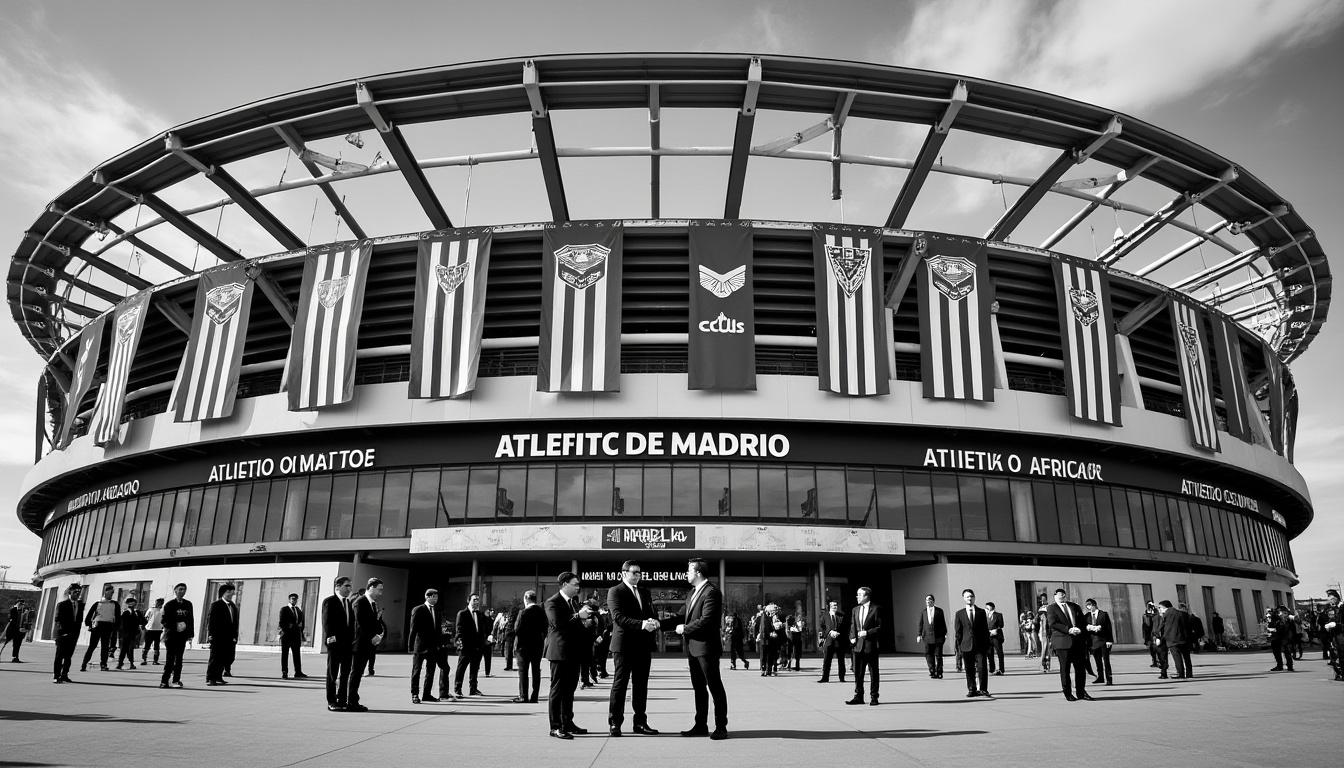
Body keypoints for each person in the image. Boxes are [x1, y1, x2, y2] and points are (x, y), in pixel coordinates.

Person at [659, 558, 728, 740]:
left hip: (706, 648)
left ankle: (721, 727)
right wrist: (657, 624)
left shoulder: (712, 592)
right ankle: (700, 725)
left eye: (689, 570)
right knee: (698, 688)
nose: (686, 574)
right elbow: (680, 617)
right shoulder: (692, 593)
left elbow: (707, 621)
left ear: (698, 573)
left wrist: (685, 629)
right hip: (693, 648)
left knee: (715, 687)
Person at [606, 560, 661, 736]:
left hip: (643, 645)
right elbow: (618, 617)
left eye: (639, 573)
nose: (637, 575)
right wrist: (642, 624)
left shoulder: (644, 591)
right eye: (634, 572)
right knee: (620, 684)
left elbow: (650, 613)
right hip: (624, 646)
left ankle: (640, 723)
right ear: (624, 573)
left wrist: (653, 620)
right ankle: (615, 722)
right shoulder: (616, 591)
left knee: (641, 685)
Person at [545, 571, 594, 739]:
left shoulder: (573, 603)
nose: (578, 587)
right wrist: (577, 616)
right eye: (575, 584)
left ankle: (567, 722)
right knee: (557, 690)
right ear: (565, 584)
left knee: (570, 690)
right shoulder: (552, 602)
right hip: (559, 653)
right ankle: (555, 726)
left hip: (573, 653)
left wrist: (585, 623)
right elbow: (558, 624)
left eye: (578, 584)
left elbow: (574, 625)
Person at [1046, 588, 1091, 701]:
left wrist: (1080, 629)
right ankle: (1068, 693)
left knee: (1080, 668)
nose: (1062, 597)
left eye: (1063, 595)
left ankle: (1081, 692)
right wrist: (1068, 630)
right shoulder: (1052, 608)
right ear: (1055, 596)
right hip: (1062, 642)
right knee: (1065, 669)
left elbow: (1082, 621)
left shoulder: (1074, 606)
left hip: (1077, 641)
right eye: (1059, 595)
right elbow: (1053, 623)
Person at [321, 575, 355, 711]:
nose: (349, 588)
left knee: (345, 673)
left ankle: (342, 700)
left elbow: (351, 624)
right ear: (338, 586)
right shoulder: (330, 601)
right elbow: (327, 623)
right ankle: (332, 701)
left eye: (350, 586)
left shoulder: (348, 603)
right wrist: (331, 640)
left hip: (348, 645)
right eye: (347, 586)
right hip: (335, 645)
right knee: (332, 674)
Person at [409, 588, 447, 704]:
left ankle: (427, 694)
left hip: (433, 647)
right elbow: (413, 629)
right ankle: (415, 694)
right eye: (434, 597)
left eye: (437, 597)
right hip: (420, 646)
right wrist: (410, 647)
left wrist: (440, 644)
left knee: (431, 671)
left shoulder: (437, 610)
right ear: (427, 596)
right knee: (416, 671)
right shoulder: (418, 609)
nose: (436, 599)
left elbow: (438, 630)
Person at [953, 588, 992, 698]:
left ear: (974, 597)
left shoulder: (981, 612)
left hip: (980, 646)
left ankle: (983, 689)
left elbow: (985, 630)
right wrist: (959, 646)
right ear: (964, 598)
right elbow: (958, 631)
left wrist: (987, 645)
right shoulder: (959, 613)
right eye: (967, 597)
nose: (969, 598)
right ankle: (972, 689)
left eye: (971, 596)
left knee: (982, 667)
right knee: (969, 669)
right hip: (966, 645)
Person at [847, 586, 881, 706]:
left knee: (873, 673)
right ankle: (858, 697)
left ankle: (874, 697)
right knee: (858, 673)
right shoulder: (855, 609)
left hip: (870, 646)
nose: (857, 596)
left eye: (860, 594)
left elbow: (880, 627)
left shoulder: (876, 609)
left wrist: (867, 632)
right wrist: (852, 636)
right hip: (857, 647)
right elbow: (853, 625)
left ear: (866, 596)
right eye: (857, 594)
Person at [513, 590, 546, 703]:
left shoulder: (523, 612)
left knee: (523, 671)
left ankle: (523, 695)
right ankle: (534, 696)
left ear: (526, 599)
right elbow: (545, 629)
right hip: (537, 646)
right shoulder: (542, 612)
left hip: (523, 647)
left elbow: (517, 629)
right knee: (536, 670)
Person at [455, 593, 490, 697]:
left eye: (478, 600)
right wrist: (460, 645)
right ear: (468, 600)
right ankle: (458, 689)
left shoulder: (479, 614)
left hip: (477, 647)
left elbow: (482, 630)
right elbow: (459, 631)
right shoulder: (462, 613)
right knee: (461, 668)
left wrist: (484, 641)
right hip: (466, 647)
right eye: (474, 599)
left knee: (475, 669)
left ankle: (473, 689)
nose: (476, 602)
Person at [159, 583, 194, 689]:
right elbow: (164, 620)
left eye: (184, 590)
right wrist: (176, 626)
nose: (182, 591)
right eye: (180, 589)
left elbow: (190, 619)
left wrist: (190, 634)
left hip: (182, 636)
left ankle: (176, 680)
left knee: (179, 659)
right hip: (171, 635)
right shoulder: (169, 604)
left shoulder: (188, 604)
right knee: (170, 659)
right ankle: (164, 681)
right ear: (175, 590)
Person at [206, 583, 239, 686]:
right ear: (223, 593)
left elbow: (235, 623)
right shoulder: (216, 605)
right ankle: (211, 678)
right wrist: (211, 635)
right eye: (228, 591)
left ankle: (219, 677)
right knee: (215, 658)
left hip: (229, 638)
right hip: (218, 636)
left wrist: (235, 636)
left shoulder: (233, 606)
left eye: (232, 591)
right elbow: (211, 621)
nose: (231, 593)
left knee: (226, 658)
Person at [81, 584, 119, 672]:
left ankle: (103, 664)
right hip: (97, 626)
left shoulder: (115, 604)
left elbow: (117, 616)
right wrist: (89, 623)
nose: (111, 594)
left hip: (108, 626)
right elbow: (89, 615)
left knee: (105, 647)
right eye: (110, 592)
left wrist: (116, 627)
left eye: (112, 593)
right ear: (105, 592)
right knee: (92, 646)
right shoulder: (98, 603)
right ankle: (84, 664)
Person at [53, 583, 83, 683]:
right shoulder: (62, 604)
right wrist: (63, 632)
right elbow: (57, 620)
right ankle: (56, 676)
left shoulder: (81, 605)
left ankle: (65, 674)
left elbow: (79, 620)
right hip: (63, 634)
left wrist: (76, 633)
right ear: (70, 592)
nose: (77, 594)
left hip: (74, 635)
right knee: (59, 656)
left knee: (68, 657)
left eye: (79, 592)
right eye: (75, 592)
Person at [1084, 598, 1114, 685]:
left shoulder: (1103, 614)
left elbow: (1109, 628)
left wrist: (1109, 640)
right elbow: (1084, 626)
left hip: (1104, 640)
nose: (1088, 607)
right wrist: (1088, 627)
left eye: (1089, 605)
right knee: (1097, 661)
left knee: (1106, 660)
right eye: (1087, 606)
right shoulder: (1087, 616)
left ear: (1094, 605)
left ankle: (1109, 678)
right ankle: (1100, 677)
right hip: (1093, 642)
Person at [278, 592, 308, 679]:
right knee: (285, 654)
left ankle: (298, 672)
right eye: (292, 599)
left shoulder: (298, 610)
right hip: (286, 635)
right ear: (289, 599)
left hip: (296, 636)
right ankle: (284, 672)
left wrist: (301, 632)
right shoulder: (284, 609)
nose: (294, 600)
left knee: (297, 654)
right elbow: (281, 623)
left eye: (295, 599)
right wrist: (290, 626)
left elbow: (302, 623)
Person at [817, 599, 847, 683]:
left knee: (841, 661)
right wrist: (829, 632)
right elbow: (821, 628)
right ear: (829, 606)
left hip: (839, 641)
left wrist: (839, 633)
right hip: (829, 641)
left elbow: (846, 628)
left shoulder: (841, 615)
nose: (835, 607)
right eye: (833, 605)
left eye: (836, 605)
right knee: (827, 660)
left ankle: (842, 677)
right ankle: (825, 678)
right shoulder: (824, 616)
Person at [917, 593, 946, 679]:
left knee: (938, 655)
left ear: (933, 601)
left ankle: (939, 672)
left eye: (929, 599)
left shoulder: (939, 611)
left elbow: (943, 623)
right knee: (928, 654)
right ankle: (932, 670)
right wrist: (919, 634)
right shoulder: (924, 612)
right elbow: (920, 624)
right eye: (926, 600)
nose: (928, 601)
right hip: (927, 637)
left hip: (938, 637)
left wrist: (944, 634)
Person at [1317, 590, 1342, 680]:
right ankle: (1339, 672)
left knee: (1341, 654)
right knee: (1334, 654)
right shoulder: (1330, 609)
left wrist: (1337, 625)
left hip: (1341, 634)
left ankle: (1341, 673)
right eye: (1329, 598)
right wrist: (1328, 624)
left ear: (1336, 598)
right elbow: (1326, 619)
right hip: (1333, 635)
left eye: (1332, 598)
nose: (1330, 600)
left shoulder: (1342, 607)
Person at [115, 597, 145, 670]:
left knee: (128, 649)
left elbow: (143, 621)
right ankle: (122, 663)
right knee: (126, 649)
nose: (133, 604)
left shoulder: (136, 612)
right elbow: (122, 624)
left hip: (132, 633)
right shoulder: (126, 612)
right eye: (131, 603)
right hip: (126, 633)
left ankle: (127, 663)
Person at [1266, 605, 1297, 672]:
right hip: (1279, 637)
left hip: (1282, 637)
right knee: (1280, 652)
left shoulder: (1285, 619)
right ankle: (1283, 666)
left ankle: (1287, 666)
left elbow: (1290, 628)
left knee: (1285, 652)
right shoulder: (1278, 618)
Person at [759, 603, 784, 676]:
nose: (774, 613)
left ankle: (767, 670)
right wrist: (771, 633)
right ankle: (765, 670)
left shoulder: (767, 617)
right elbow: (765, 628)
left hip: (767, 639)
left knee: (768, 655)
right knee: (767, 655)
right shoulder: (765, 617)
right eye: (773, 611)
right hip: (767, 639)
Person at [141, 598, 164, 666]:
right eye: (157, 602)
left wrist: (163, 626)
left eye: (160, 603)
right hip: (149, 630)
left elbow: (164, 619)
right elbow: (146, 618)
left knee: (156, 646)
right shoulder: (151, 609)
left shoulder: (162, 610)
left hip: (158, 630)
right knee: (147, 645)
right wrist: (143, 626)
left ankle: (155, 660)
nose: (158, 604)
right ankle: (144, 660)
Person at [985, 601, 1005, 675]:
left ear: (992, 607)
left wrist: (996, 629)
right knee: (989, 653)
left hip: (996, 636)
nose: (986, 608)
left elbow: (1001, 625)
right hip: (988, 636)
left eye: (988, 607)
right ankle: (992, 669)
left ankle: (1001, 669)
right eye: (986, 607)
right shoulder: (984, 616)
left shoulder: (998, 615)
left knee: (999, 653)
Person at [1142, 602, 1159, 668]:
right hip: (1148, 635)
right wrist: (1144, 636)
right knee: (1151, 650)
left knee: (1157, 649)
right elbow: (1145, 626)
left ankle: (1159, 661)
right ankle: (1154, 661)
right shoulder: (1145, 615)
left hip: (1154, 634)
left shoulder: (1156, 614)